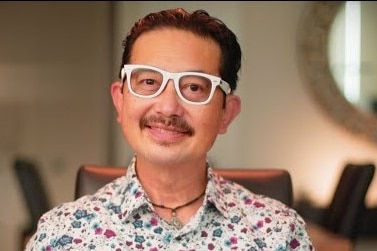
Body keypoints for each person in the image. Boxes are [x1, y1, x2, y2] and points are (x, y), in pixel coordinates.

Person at [25, 8, 314, 250]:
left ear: (226, 113)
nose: (167, 108)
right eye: (149, 82)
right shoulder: (61, 236)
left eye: (193, 87)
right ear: (120, 100)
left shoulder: (278, 234)